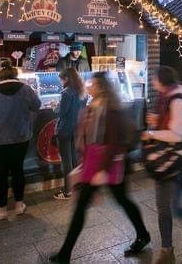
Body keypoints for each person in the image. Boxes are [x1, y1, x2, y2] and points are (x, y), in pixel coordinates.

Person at [50, 73, 150, 262]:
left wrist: (102, 170)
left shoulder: (110, 109)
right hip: (94, 163)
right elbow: (89, 138)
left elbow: (113, 143)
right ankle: (65, 253)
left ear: (101, 87)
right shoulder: (94, 106)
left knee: (120, 201)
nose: (88, 86)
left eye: (92, 83)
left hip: (106, 165)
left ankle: (143, 234)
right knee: (94, 205)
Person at [142, 66, 182, 264]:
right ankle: (167, 248)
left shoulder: (177, 100)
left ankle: (167, 249)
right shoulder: (165, 98)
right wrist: (155, 122)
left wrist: (152, 133)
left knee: (165, 206)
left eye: (154, 79)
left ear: (161, 80)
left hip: (173, 157)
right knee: (165, 204)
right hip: (167, 155)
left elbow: (177, 133)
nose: (153, 82)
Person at [0, 59, 41, 220]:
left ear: (0, 76)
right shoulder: (26, 90)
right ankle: (19, 205)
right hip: (20, 138)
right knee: (18, 170)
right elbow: (37, 105)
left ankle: (2, 209)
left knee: (0, 173)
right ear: (15, 74)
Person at [54, 68, 86, 200]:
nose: (61, 82)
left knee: (66, 161)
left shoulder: (66, 93)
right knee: (75, 159)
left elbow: (61, 112)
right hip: (77, 129)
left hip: (65, 130)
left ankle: (68, 191)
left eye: (61, 79)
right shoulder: (82, 92)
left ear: (66, 79)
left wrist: (55, 106)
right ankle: (77, 186)